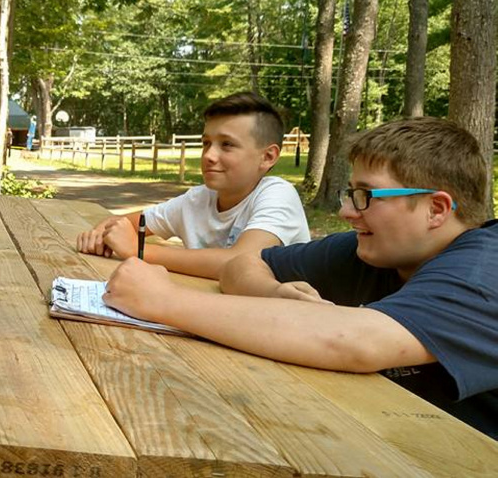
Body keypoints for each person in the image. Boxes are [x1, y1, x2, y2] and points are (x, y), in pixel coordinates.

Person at [104, 117, 497, 439]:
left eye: (366, 196)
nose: (346, 211)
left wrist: (164, 301)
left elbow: (357, 341)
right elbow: (242, 265)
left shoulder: (484, 270)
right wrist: (276, 294)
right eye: (350, 193)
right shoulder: (372, 251)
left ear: (436, 209)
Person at [76, 92, 309, 279]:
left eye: (227, 145)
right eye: (206, 143)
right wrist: (100, 236)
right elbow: (125, 224)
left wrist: (138, 251)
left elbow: (242, 262)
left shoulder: (277, 194)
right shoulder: (198, 198)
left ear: (268, 157)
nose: (209, 155)